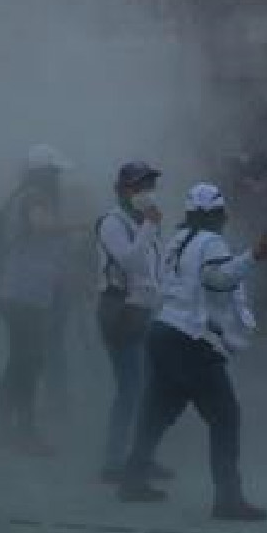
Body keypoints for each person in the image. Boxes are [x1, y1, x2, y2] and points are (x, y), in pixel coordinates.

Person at [116, 183, 267, 521]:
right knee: (224, 418)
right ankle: (228, 500)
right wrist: (253, 256)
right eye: (222, 214)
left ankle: (132, 479)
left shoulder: (176, 240)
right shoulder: (211, 242)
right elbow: (218, 280)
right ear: (216, 215)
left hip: (162, 331)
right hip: (190, 340)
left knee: (156, 413)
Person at [0, 145, 75, 455]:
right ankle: (25, 432)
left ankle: (4, 428)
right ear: (43, 174)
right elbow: (41, 226)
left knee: (19, 362)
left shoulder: (22, 195)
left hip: (19, 292)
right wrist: (78, 227)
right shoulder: (34, 197)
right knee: (28, 363)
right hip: (23, 293)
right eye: (55, 173)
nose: (58, 179)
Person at [95, 161, 167, 484]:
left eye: (149, 186)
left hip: (145, 310)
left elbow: (153, 268)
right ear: (123, 190)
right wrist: (150, 226)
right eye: (140, 187)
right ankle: (113, 461)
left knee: (148, 389)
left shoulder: (142, 221)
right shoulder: (112, 222)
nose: (146, 193)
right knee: (130, 389)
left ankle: (142, 456)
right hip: (121, 312)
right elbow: (129, 260)